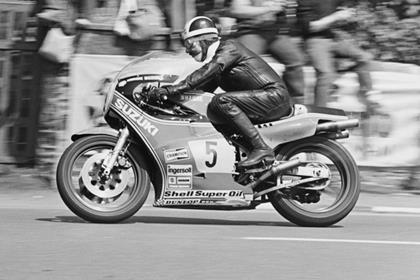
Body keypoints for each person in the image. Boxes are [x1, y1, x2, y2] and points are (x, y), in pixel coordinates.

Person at [149, 16, 292, 169]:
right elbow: (198, 92)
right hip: (265, 100)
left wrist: (170, 90)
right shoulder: (219, 64)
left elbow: (204, 73)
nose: (187, 50)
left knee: (221, 101)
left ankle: (261, 148)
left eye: (189, 44)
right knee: (210, 108)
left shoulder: (229, 48)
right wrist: (169, 101)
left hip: (274, 97)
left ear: (204, 40)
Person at [296, 0, 379, 110]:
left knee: (364, 57)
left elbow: (345, 6)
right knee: (325, 74)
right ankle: (321, 112)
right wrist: (336, 16)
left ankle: (369, 92)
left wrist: (347, 11)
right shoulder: (304, 2)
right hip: (315, 40)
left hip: (332, 38)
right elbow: (310, 27)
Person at [229, 0, 306, 103]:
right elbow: (237, 9)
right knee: (246, 66)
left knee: (296, 61)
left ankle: (295, 103)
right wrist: (268, 9)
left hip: (275, 32)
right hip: (251, 31)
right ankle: (243, 102)